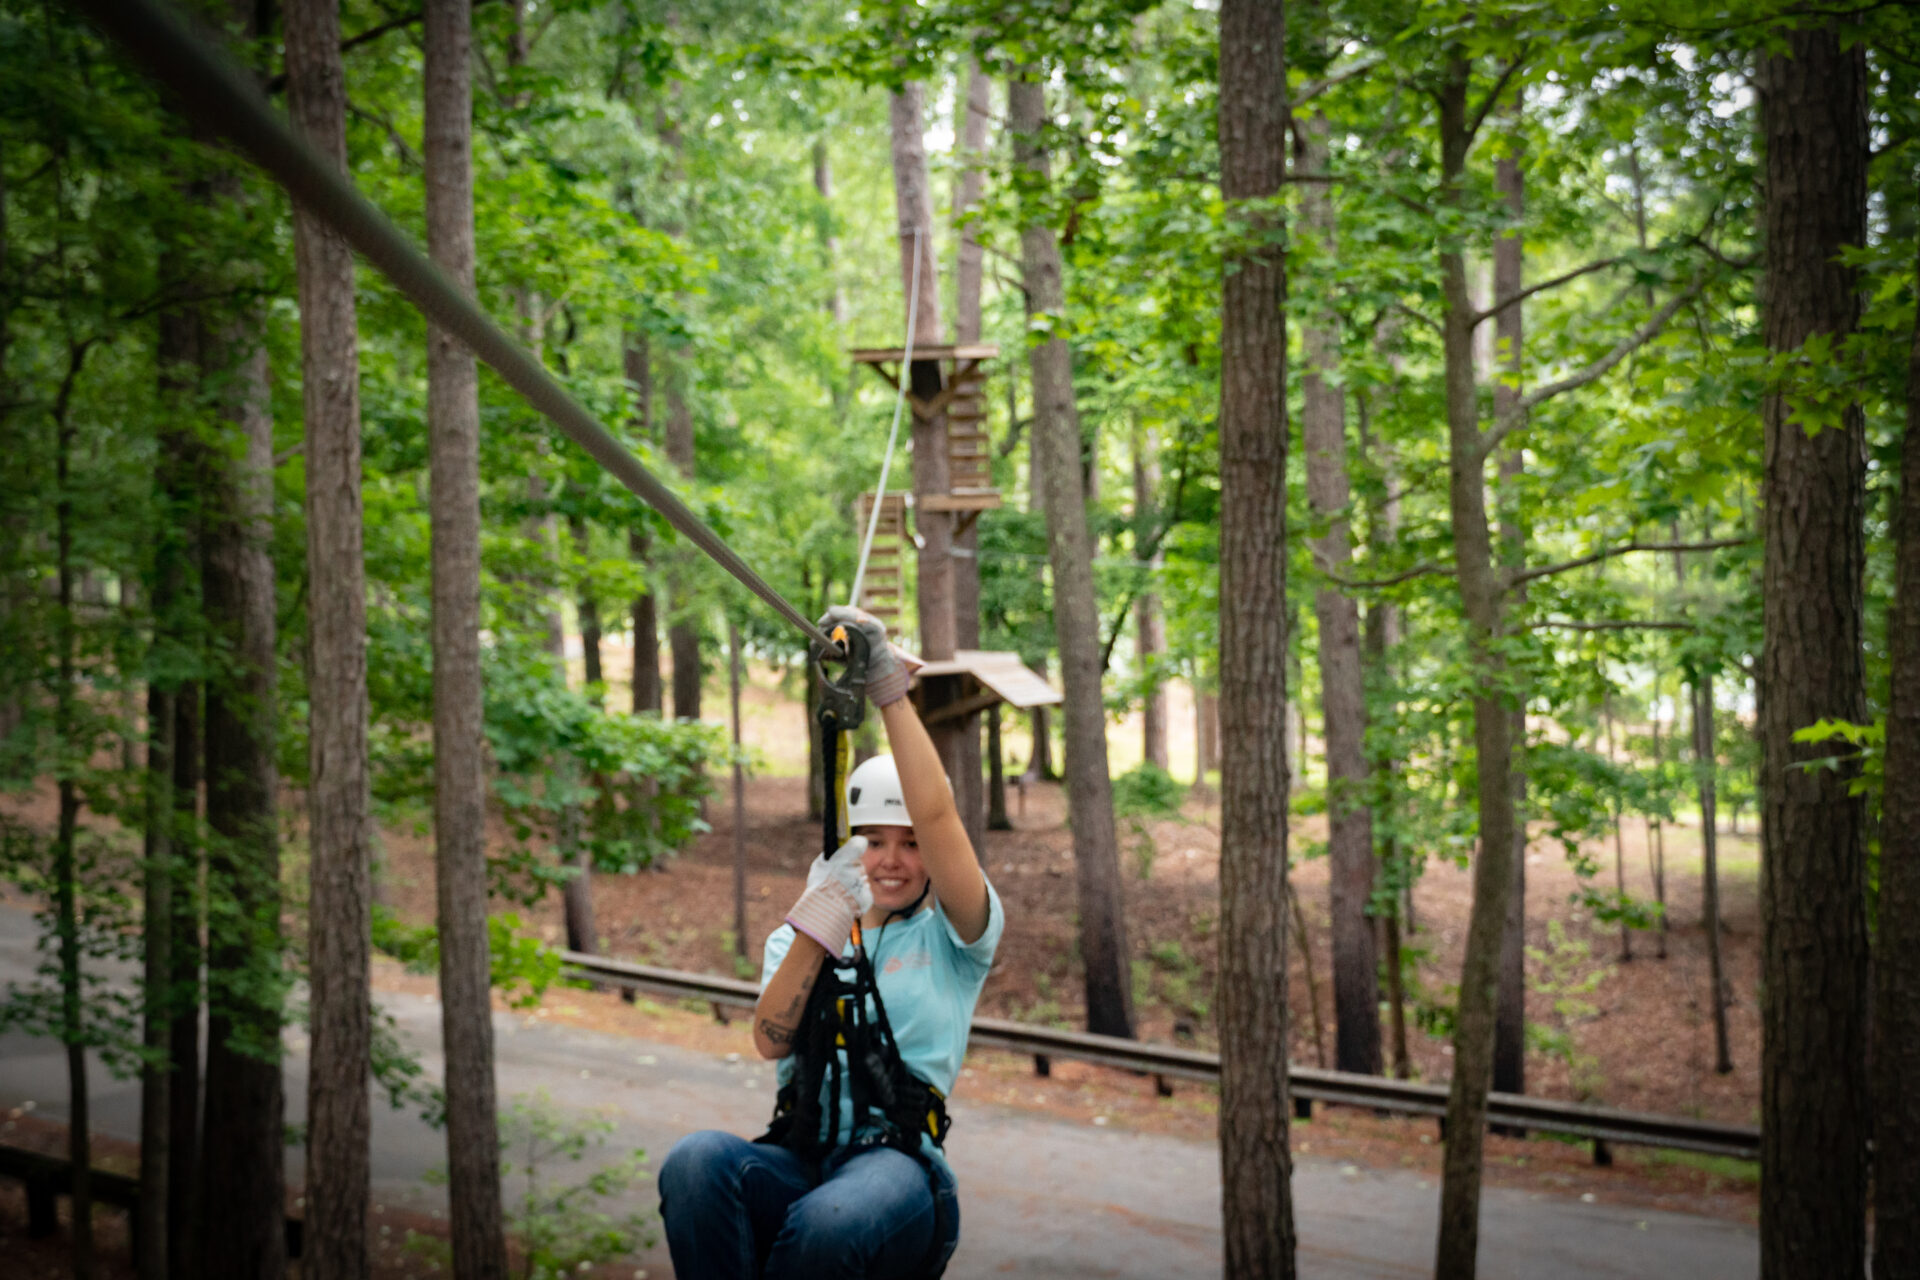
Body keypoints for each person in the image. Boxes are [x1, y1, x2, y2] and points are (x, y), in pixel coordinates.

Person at [658, 606, 1004, 1280]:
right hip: (801, 1158)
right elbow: (770, 1041)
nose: (892, 861)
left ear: (931, 857)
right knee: (695, 1161)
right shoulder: (801, 932)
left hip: (899, 1177)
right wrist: (820, 925)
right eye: (873, 840)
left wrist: (888, 694)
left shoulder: (956, 939)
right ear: (851, 843)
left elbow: (937, 812)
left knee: (829, 1222)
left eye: (910, 845)